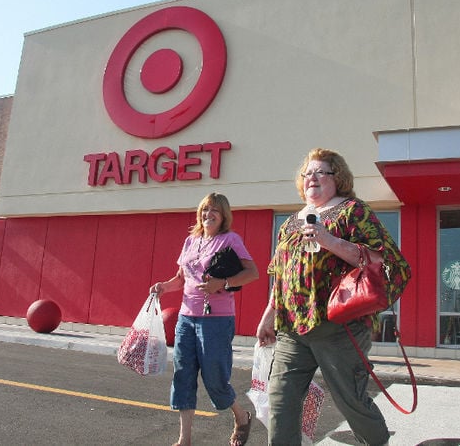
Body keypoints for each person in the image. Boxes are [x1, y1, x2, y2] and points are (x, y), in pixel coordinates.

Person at [256, 148, 411, 446]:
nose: (311, 177)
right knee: (280, 400)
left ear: (337, 178)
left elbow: (382, 260)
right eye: (307, 173)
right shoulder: (290, 223)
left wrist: (329, 240)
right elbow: (283, 274)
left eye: (320, 172)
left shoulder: (353, 211)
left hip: (340, 326)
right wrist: (269, 314)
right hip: (292, 328)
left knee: (350, 400)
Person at [150, 192, 259, 446]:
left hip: (216, 320)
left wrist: (224, 283)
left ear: (223, 216)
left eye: (214, 211)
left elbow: (252, 273)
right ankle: (184, 440)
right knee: (183, 375)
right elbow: (181, 278)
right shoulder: (191, 241)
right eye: (204, 210)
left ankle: (241, 416)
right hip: (186, 318)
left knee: (215, 377)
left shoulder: (230, 240)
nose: (208, 215)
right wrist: (163, 287)